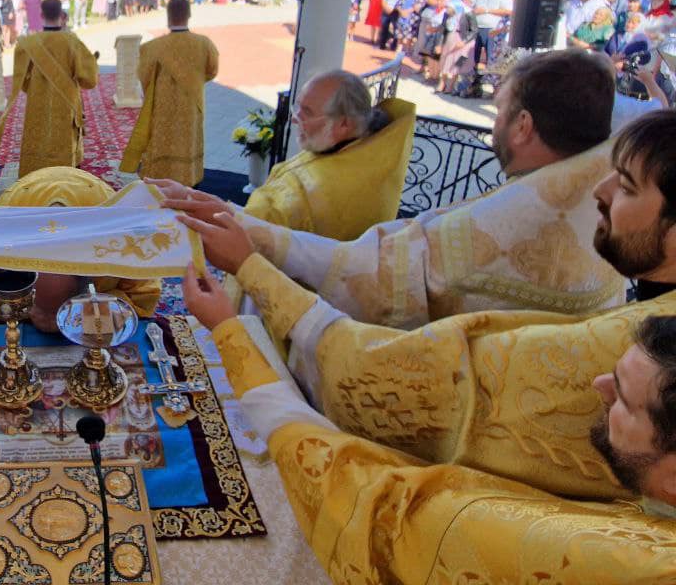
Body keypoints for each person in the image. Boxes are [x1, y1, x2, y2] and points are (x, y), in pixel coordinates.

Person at [177, 110, 676, 521]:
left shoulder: (642, 350)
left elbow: (386, 373)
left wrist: (249, 268)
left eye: (628, 187)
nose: (598, 192)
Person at [183, 265, 676, 582]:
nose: (597, 386)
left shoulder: (618, 561)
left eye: (625, 399)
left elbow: (379, 510)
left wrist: (232, 336)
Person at [180, 50, 623, 326]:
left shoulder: (510, 224)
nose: (493, 127)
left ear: (523, 126)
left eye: (500, 111)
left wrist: (242, 229)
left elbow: (379, 275)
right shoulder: (605, 209)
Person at [0, 167, 161, 331]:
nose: (51, 323)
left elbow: (142, 296)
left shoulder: (121, 237)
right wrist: (23, 311)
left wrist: (91, 310)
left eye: (58, 312)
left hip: (90, 194)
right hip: (27, 193)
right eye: (43, 310)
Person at [239, 70, 415, 240]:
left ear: (344, 124)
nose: (294, 118)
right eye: (298, 107)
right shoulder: (380, 147)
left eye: (307, 112)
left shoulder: (303, 196)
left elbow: (250, 237)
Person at [119, 0, 219, 186]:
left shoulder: (152, 47)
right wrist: (193, 83)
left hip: (161, 107)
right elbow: (212, 71)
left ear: (168, 16)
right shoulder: (204, 44)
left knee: (160, 142)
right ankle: (188, 183)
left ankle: (159, 184)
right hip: (191, 107)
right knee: (188, 144)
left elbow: (144, 77)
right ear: (189, 14)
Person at [0, 0, 99, 177]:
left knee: (39, 137)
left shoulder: (28, 44)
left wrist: (37, 89)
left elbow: (22, 81)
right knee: (64, 138)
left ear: (41, 15)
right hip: (66, 102)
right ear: (62, 15)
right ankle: (65, 177)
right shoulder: (72, 41)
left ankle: (36, 176)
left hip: (37, 100)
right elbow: (89, 80)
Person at [472, 0, 513, 67]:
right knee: (476, 57)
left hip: (494, 30)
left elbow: (508, 11)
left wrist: (486, 11)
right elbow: (474, 9)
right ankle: (476, 74)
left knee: (491, 56)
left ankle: (491, 74)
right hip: (478, 28)